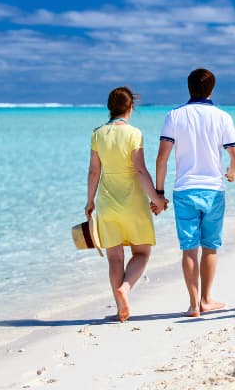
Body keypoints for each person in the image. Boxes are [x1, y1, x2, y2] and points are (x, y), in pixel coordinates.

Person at [153, 68, 235, 317]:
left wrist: (159, 193)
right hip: (213, 190)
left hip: (184, 190)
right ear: (212, 90)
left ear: (189, 88)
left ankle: (193, 305)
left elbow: (162, 158)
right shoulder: (222, 117)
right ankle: (206, 299)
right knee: (210, 247)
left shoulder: (174, 116)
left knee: (189, 249)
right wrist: (232, 172)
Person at [86, 86, 169, 322]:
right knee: (141, 252)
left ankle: (118, 308)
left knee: (114, 259)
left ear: (110, 108)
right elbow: (140, 170)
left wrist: (89, 201)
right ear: (130, 107)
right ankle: (126, 288)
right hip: (133, 202)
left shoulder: (97, 134)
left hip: (106, 202)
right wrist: (157, 200)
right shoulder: (134, 133)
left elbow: (94, 172)